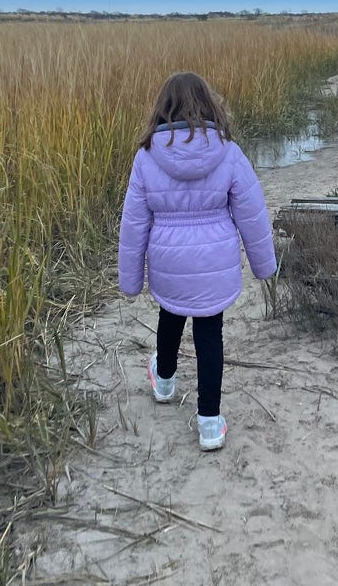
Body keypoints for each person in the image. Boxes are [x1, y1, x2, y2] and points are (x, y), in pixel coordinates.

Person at [118, 71, 277, 451]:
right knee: (209, 335)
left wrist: (130, 280)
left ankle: (165, 381)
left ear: (162, 107)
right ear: (209, 104)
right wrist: (264, 265)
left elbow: (134, 223)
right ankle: (209, 423)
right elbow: (252, 214)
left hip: (168, 261)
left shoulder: (146, 157)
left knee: (170, 317)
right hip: (214, 262)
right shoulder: (229, 152)